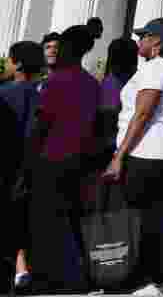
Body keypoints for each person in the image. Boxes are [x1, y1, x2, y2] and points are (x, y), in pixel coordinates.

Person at [103, 17, 163, 296]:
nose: (139, 41)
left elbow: (142, 113)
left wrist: (119, 156)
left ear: (156, 42)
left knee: (143, 221)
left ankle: (147, 281)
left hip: (148, 154)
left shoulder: (156, 68)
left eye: (143, 36)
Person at [28, 26, 101, 291]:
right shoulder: (93, 84)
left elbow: (42, 123)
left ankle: (48, 277)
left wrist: (29, 158)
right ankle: (73, 276)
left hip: (51, 157)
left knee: (45, 221)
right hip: (80, 160)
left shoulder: (56, 81)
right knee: (72, 218)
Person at [1, 41, 44, 291]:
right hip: (33, 166)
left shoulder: (5, 93)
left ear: (16, 63)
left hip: (7, 165)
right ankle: (22, 268)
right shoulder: (41, 95)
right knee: (22, 221)